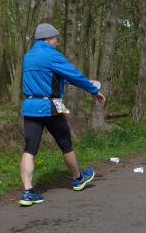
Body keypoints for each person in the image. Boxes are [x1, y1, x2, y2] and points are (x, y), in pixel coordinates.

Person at [19, 23, 106, 206]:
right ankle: (78, 178)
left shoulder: (28, 57)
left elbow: (51, 78)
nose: (58, 43)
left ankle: (27, 192)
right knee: (66, 143)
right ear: (48, 38)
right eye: (57, 39)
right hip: (49, 107)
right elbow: (72, 74)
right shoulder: (51, 55)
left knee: (30, 149)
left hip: (30, 107)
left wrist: (84, 82)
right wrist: (93, 89)